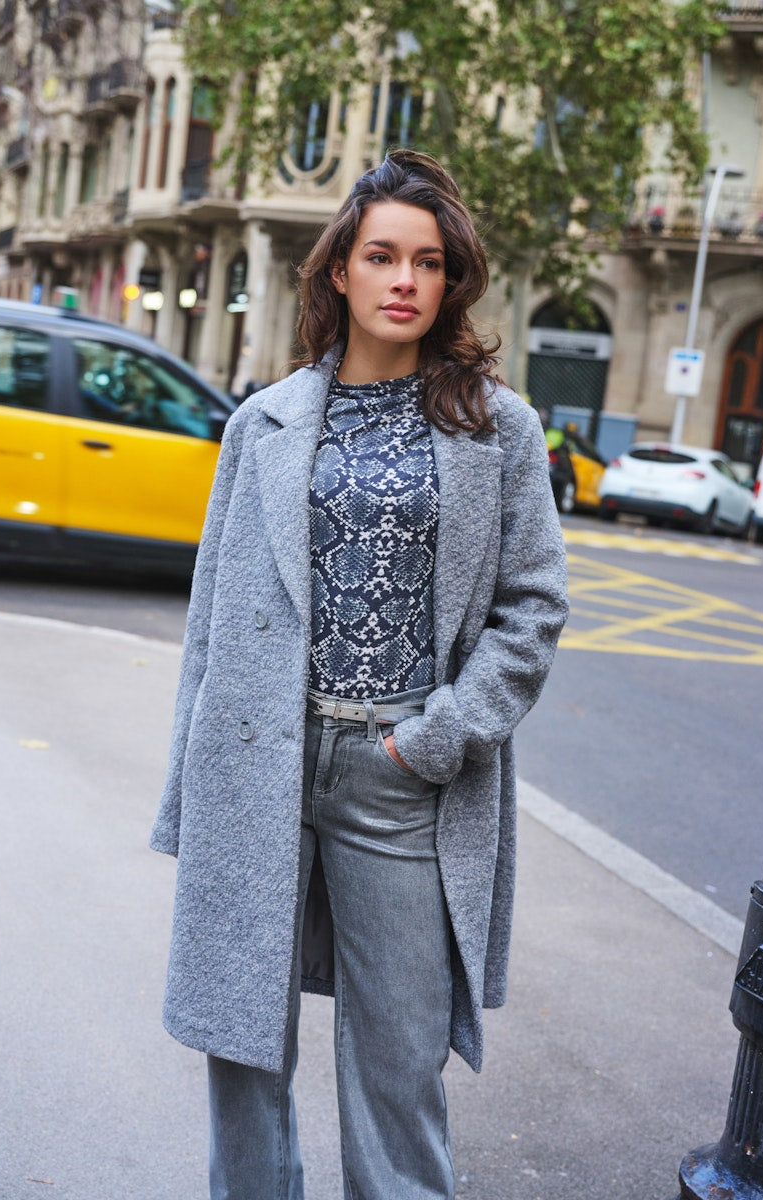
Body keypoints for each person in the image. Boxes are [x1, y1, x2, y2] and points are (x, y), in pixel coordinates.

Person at [150, 149, 569, 1200]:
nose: (403, 280)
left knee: (399, 1062)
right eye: (381, 256)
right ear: (338, 270)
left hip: (398, 773)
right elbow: (211, 619)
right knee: (242, 1047)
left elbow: (532, 610)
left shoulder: (496, 426)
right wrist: (186, 787)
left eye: (427, 262)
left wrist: (431, 741)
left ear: (450, 280)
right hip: (260, 753)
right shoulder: (265, 420)